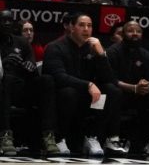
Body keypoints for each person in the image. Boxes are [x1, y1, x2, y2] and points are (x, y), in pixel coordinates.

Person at [42, 12, 127, 156]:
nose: (86, 29)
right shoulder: (55, 47)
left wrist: (101, 55)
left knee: (112, 91)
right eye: (81, 25)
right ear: (71, 27)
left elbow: (109, 79)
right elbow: (59, 77)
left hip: (88, 97)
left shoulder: (93, 48)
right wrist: (88, 85)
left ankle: (92, 137)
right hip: (61, 96)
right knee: (69, 93)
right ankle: (60, 138)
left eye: (89, 26)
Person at [107, 20, 149, 157]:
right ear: (124, 34)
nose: (135, 34)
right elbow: (110, 79)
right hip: (118, 95)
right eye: (131, 31)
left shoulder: (145, 54)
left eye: (138, 31)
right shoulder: (113, 52)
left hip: (138, 96)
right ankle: (113, 139)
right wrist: (133, 88)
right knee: (114, 91)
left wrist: (147, 85)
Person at [0, 9, 57, 156]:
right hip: (4, 88)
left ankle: (48, 135)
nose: (6, 23)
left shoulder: (22, 42)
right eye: (3, 20)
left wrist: (27, 66)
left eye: (9, 20)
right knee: (7, 79)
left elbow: (33, 69)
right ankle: (5, 135)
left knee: (47, 80)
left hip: (22, 88)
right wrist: (3, 63)